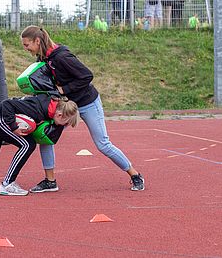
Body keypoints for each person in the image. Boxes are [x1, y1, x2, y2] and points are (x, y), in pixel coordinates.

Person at [20, 25, 145, 193]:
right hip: (66, 106)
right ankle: (50, 181)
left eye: (27, 45)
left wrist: (64, 89)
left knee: (103, 144)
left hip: (87, 102)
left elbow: (87, 76)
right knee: (45, 136)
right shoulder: (43, 59)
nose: (25, 48)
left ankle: (135, 175)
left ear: (37, 41)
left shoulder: (62, 57)